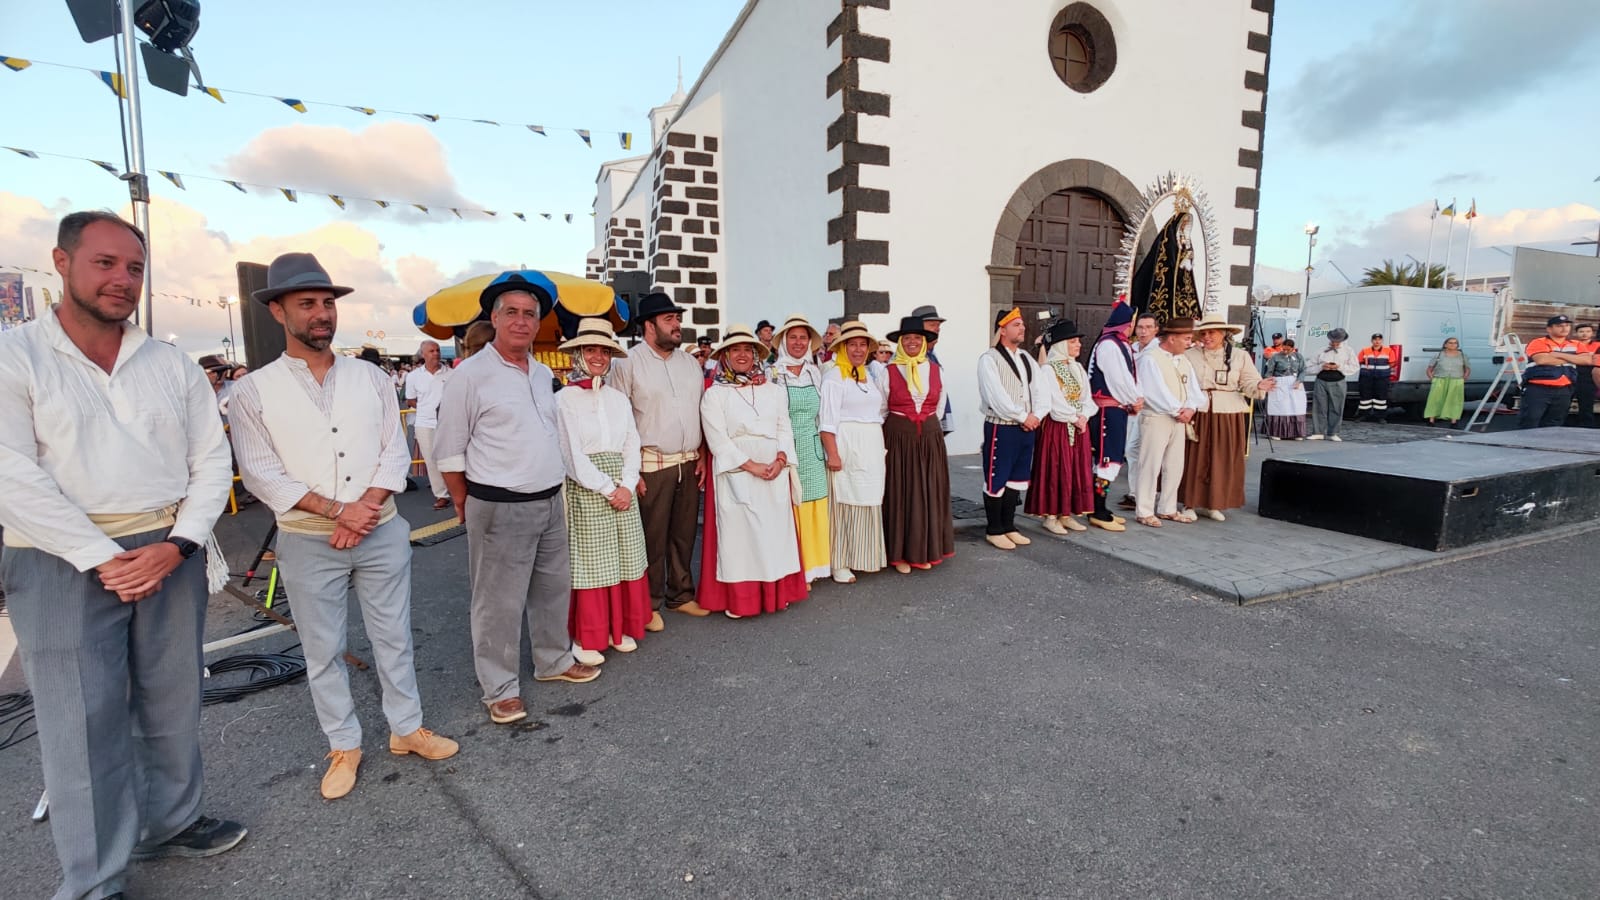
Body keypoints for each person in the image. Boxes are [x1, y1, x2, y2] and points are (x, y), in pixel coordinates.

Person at [0, 211, 244, 898]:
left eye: (134, 267)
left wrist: (179, 544)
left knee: (173, 698)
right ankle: (94, 878)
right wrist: (99, 555)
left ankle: (172, 821)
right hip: (56, 555)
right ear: (62, 262)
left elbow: (210, 459)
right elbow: (10, 471)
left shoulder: (168, 363)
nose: (122, 279)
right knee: (81, 721)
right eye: (105, 263)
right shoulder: (16, 355)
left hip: (168, 550)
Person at [230, 252, 459, 799]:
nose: (321, 313)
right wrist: (339, 512)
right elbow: (262, 474)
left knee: (393, 637)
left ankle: (407, 728)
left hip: (380, 528)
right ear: (278, 311)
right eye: (307, 303)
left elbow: (393, 452)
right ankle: (344, 744)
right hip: (309, 539)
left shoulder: (371, 377)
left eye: (328, 303)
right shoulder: (252, 390)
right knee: (323, 649)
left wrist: (363, 509)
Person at [434, 273, 601, 729]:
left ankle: (553, 660)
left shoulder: (543, 373)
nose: (522, 322)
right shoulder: (469, 375)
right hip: (499, 503)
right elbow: (448, 449)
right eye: (512, 312)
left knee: (552, 590)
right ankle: (500, 687)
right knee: (497, 603)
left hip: (549, 499)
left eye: (530, 314)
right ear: (494, 318)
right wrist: (464, 501)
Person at [605, 292, 710, 623]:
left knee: (684, 533)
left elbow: (700, 412)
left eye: (677, 318)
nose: (677, 325)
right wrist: (630, 471)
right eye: (669, 319)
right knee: (652, 537)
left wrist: (702, 454)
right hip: (650, 464)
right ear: (649, 326)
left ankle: (681, 595)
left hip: (688, 462)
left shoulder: (690, 364)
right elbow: (618, 419)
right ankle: (648, 605)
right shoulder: (627, 363)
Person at [555, 318, 649, 661]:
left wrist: (627, 482)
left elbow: (631, 443)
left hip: (621, 483)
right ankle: (587, 636)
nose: (598, 357)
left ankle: (618, 627)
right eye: (590, 350)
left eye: (604, 351)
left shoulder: (618, 399)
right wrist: (609, 488)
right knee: (592, 562)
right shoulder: (564, 399)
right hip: (589, 486)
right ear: (578, 354)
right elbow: (570, 454)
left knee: (625, 556)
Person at [696, 324, 807, 616]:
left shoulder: (774, 390)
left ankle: (774, 594)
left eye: (748, 349)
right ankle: (743, 600)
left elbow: (784, 427)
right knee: (741, 538)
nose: (742, 355)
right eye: (735, 350)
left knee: (773, 532)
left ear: (757, 354)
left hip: (773, 467)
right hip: (738, 469)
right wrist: (751, 465)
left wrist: (781, 459)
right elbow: (717, 440)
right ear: (725, 355)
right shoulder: (715, 395)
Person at [1181, 314, 1274, 521]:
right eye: (1203, 333)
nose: (1207, 337)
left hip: (1227, 412)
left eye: (1212, 332)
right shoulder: (1189, 355)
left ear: (1224, 333)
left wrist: (1259, 385)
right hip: (1199, 410)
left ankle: (1214, 503)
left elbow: (1249, 381)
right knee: (1195, 457)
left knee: (1222, 459)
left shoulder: (1240, 356)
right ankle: (1190, 502)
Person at [881, 315, 954, 570]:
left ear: (924, 342)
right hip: (899, 438)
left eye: (917, 338)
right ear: (900, 342)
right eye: (907, 338)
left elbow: (940, 405)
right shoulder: (888, 371)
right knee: (901, 494)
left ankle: (926, 550)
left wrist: (926, 422)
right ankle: (900, 554)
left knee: (929, 491)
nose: (912, 342)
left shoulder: (935, 370)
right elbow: (881, 408)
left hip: (930, 438)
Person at [978, 308, 1053, 549]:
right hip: (1002, 428)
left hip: (1026, 429)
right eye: (1016, 325)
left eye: (1022, 324)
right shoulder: (989, 359)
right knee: (997, 477)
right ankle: (994, 529)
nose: (1022, 328)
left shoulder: (1026, 358)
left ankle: (1009, 525)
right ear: (1002, 330)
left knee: (1017, 479)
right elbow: (996, 396)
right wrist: (1022, 416)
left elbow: (1041, 391)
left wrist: (1037, 415)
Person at [820, 321, 889, 581]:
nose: (858, 350)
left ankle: (863, 556)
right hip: (847, 445)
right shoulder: (834, 377)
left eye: (863, 345)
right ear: (842, 347)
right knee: (844, 504)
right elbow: (827, 420)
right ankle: (839, 561)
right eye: (852, 345)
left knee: (867, 499)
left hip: (869, 448)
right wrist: (833, 453)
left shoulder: (866, 375)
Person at [768, 314, 831, 582]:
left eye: (802, 338)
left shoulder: (815, 371)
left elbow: (822, 414)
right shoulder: (773, 374)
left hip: (812, 447)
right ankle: (796, 570)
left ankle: (815, 567)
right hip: (786, 447)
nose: (798, 342)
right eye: (792, 337)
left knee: (813, 503)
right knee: (791, 505)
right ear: (783, 341)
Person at [1024, 319, 1098, 534]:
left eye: (1077, 341)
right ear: (1061, 345)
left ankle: (1066, 513)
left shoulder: (1078, 368)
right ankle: (1050, 515)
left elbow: (1088, 398)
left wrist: (1084, 416)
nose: (1078, 345)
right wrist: (1074, 417)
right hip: (1058, 427)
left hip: (1078, 425)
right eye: (1073, 342)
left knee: (1074, 469)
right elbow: (1054, 401)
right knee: (1056, 468)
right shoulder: (1048, 370)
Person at [1132, 317, 1203, 527]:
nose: (1189, 343)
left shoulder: (1183, 360)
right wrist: (1177, 409)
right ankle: (1144, 510)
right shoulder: (1150, 359)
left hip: (1178, 418)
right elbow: (1153, 391)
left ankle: (1167, 507)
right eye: (1186, 338)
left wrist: (1191, 407)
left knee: (1174, 464)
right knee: (1150, 464)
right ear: (1172, 338)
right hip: (1156, 416)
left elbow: (1193, 389)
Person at [1085, 301, 1142, 531]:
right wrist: (1133, 399)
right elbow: (1118, 379)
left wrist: (1133, 399)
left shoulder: (1119, 344)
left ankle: (1099, 505)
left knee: (1112, 459)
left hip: (1116, 410)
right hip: (1107, 412)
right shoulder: (1109, 345)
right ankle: (1097, 509)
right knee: (1106, 460)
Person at [404, 339, 454, 510]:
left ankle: (461, 491)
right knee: (431, 461)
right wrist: (425, 407)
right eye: (432, 351)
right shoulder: (413, 376)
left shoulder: (452, 374)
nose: (436, 354)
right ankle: (442, 495)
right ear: (423, 354)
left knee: (453, 457)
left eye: (437, 350)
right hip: (425, 423)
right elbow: (410, 400)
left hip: (449, 422)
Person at [1119, 313, 1160, 511]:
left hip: (1152, 407)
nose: (1143, 331)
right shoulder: (1132, 348)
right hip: (1134, 406)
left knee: (1149, 453)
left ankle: (1148, 493)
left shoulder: (1159, 351)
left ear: (1156, 330)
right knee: (1132, 450)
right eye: (1140, 327)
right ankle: (1134, 492)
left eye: (1148, 327)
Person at [1519, 314, 1590, 429]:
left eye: (1567, 325)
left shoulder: (1576, 344)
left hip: (1564, 390)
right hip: (1538, 389)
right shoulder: (1538, 342)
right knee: (1530, 421)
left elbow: (1587, 360)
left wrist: (1557, 354)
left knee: (1555, 424)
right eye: (1559, 326)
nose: (1564, 328)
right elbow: (1542, 360)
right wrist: (1573, 358)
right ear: (1549, 329)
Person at [909, 304, 954, 433]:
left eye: (938, 325)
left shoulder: (931, 355)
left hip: (932, 424)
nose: (937, 329)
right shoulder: (909, 358)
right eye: (932, 325)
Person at [1308, 328, 1358, 441]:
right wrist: (1321, 367)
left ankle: (1333, 432)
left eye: (1337, 341)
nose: (1335, 343)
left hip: (1338, 381)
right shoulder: (1321, 350)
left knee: (1336, 407)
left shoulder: (1348, 351)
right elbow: (1308, 367)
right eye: (1333, 340)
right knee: (1319, 407)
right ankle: (1318, 432)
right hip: (1321, 380)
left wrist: (1339, 367)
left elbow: (1354, 367)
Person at [1262, 337, 1308, 440]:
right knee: (1280, 407)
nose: (1285, 351)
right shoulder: (1276, 357)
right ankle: (1276, 432)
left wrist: (1299, 381)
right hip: (1280, 383)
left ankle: (1296, 433)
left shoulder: (1299, 356)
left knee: (1296, 406)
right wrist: (1269, 380)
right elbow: (1269, 371)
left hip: (1295, 383)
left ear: (1293, 348)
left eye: (1288, 349)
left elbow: (1303, 370)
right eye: (1284, 349)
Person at [1423, 337, 1470, 427]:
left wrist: (1464, 378)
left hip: (1456, 380)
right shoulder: (1439, 355)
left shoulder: (1463, 356)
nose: (1453, 345)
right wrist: (1432, 379)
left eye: (1455, 343)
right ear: (1445, 344)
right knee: (1435, 399)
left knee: (1454, 400)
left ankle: (1453, 422)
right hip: (1440, 379)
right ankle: (1431, 420)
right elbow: (1429, 369)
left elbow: (1467, 369)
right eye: (1450, 343)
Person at [1356, 333, 1400, 422]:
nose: (1377, 341)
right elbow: (1359, 361)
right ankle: (1363, 415)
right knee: (1365, 396)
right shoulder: (1365, 350)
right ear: (1371, 341)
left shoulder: (1388, 351)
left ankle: (1380, 417)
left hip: (1382, 377)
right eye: (1375, 339)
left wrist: (1383, 369)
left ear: (1382, 341)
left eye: (1379, 339)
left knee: (1381, 397)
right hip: (1366, 377)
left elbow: (1393, 363)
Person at [1567, 322, 1596, 428]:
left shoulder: (1598, 345)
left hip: (1588, 378)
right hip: (1569, 375)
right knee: (1563, 404)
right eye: (1581, 331)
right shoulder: (1570, 345)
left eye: (1588, 331)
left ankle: (1586, 428)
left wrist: (1577, 357)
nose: (1584, 334)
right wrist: (1588, 356)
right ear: (1576, 333)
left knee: (1586, 406)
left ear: (1592, 333)